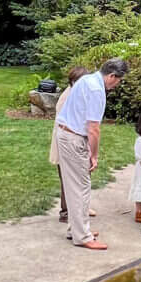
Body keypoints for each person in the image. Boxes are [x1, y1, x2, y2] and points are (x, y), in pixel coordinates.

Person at [56, 56, 125, 250]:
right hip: (74, 138)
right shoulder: (96, 90)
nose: (117, 85)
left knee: (75, 186)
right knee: (81, 187)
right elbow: (94, 128)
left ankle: (76, 229)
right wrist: (93, 155)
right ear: (112, 76)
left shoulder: (86, 79)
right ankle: (82, 236)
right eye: (118, 81)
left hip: (66, 134)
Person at [49, 64, 91, 225]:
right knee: (68, 180)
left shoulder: (74, 94)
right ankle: (66, 212)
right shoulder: (68, 97)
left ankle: (78, 209)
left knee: (76, 179)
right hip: (66, 145)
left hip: (71, 143)